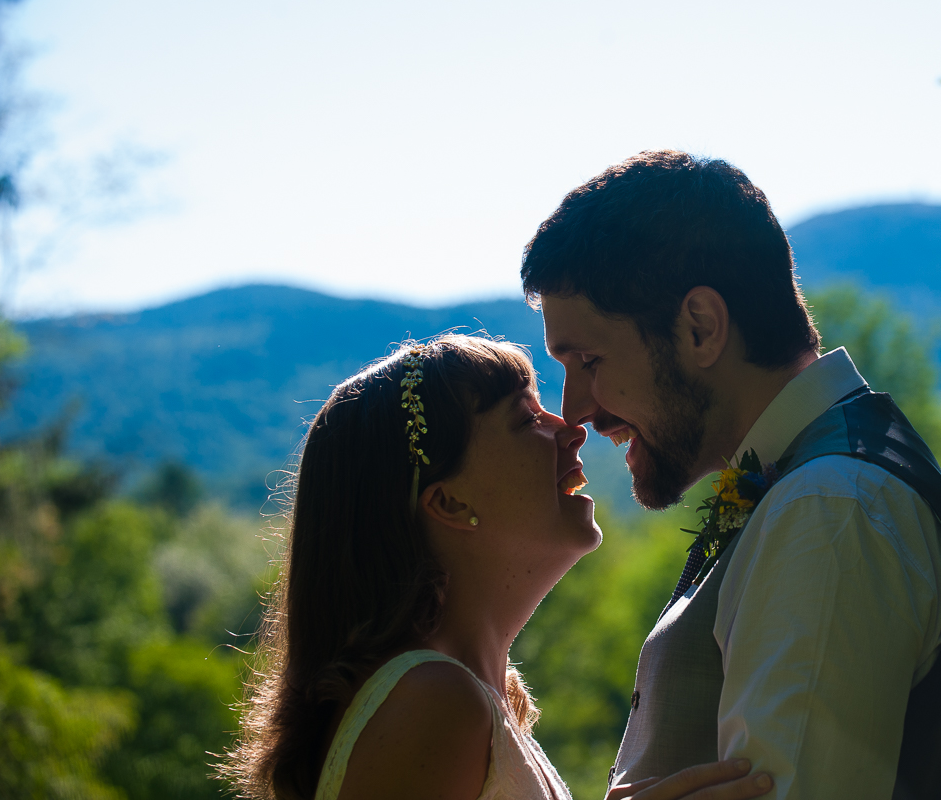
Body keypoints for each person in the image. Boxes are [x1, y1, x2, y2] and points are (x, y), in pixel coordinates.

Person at [521, 152, 941, 800]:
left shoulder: (830, 507)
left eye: (590, 359)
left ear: (701, 327)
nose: (575, 410)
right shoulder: (798, 483)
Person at [220, 333, 773, 800]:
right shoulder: (432, 700)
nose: (571, 428)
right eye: (524, 418)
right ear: (450, 503)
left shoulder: (470, 695)